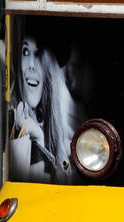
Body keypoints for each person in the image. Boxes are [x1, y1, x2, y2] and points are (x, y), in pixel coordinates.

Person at [9, 36, 75, 184]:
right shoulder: (12, 123)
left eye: (38, 55)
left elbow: (65, 185)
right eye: (25, 52)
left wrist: (40, 137)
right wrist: (36, 139)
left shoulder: (54, 125)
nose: (31, 65)